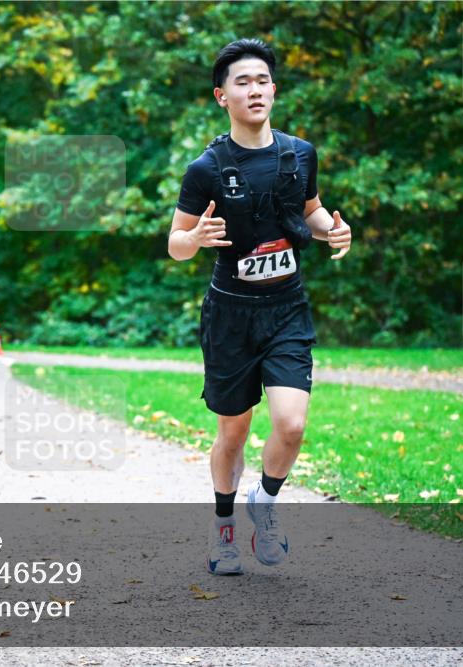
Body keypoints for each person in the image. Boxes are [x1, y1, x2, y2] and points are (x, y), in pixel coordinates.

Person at [168, 38, 352, 575]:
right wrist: (195, 238)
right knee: (233, 431)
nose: (255, 90)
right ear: (221, 96)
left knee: (292, 425)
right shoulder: (206, 168)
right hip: (230, 315)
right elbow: (175, 244)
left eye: (262, 80)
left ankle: (264, 503)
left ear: (274, 89)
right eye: (242, 82)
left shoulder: (299, 154)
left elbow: (311, 213)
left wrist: (333, 230)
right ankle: (224, 527)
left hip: (287, 309)